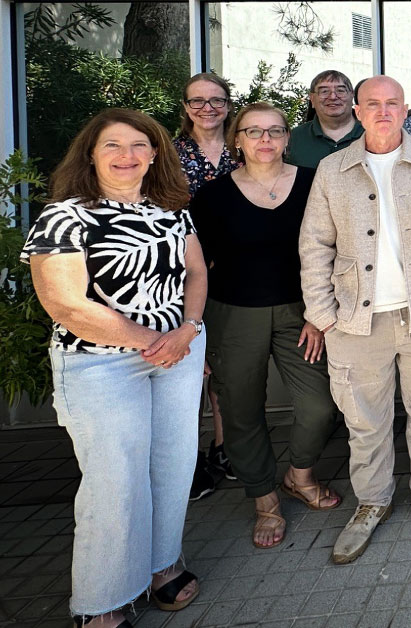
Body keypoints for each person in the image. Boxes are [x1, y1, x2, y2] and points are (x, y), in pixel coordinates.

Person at [23, 109, 205, 626]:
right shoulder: (65, 215)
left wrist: (188, 329)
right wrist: (155, 341)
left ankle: (160, 565)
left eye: (138, 146)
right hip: (100, 365)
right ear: (91, 154)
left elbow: (195, 273)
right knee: (114, 481)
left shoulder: (172, 211)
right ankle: (101, 601)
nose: (127, 156)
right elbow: (65, 304)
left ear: (154, 154)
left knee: (171, 465)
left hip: (178, 353)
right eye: (112, 146)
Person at [299, 76, 411, 564]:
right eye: (372, 103)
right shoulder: (334, 169)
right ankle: (372, 501)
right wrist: (323, 315)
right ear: (357, 109)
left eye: (391, 103)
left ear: (405, 109)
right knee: (365, 420)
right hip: (356, 321)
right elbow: (314, 245)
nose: (382, 111)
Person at [190, 102, 343, 550]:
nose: (264, 140)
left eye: (275, 131)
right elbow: (196, 268)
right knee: (240, 412)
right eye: (254, 132)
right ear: (237, 138)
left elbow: (332, 251)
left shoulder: (313, 185)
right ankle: (264, 498)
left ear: (287, 138)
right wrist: (193, 328)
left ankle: (299, 474)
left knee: (319, 405)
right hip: (233, 313)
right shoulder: (213, 196)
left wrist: (321, 311)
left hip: (302, 313)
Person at [173, 72, 238, 499]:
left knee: (222, 361)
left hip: (233, 268)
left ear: (228, 105)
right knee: (189, 366)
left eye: (216, 101)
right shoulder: (169, 154)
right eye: (198, 101)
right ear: (185, 108)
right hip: (182, 271)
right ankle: (186, 458)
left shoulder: (243, 149)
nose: (207, 108)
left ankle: (223, 445)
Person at [287, 70, 365, 169]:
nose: (332, 97)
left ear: (352, 96)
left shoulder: (371, 134)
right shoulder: (295, 138)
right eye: (324, 91)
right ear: (312, 99)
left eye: (340, 90)